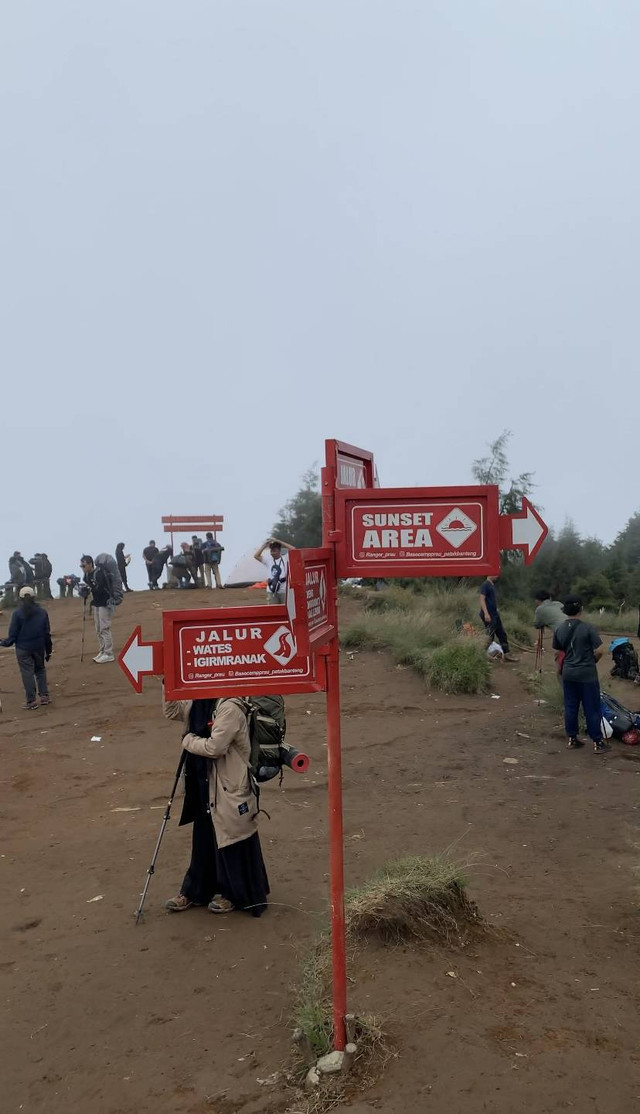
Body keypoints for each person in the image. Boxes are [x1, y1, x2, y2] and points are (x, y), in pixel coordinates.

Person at [163, 693, 269, 916]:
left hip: (228, 786)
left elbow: (215, 748)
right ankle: (195, 891)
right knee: (203, 836)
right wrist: (169, 683)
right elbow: (172, 711)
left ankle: (236, 895)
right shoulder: (198, 702)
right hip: (203, 781)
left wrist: (187, 740)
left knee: (232, 838)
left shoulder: (229, 707)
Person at [553, 596, 609, 754]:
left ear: (565, 611)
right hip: (586, 674)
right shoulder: (588, 628)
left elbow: (558, 653)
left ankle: (572, 739)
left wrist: (560, 669)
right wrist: (592, 662)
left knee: (571, 706)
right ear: (581, 610)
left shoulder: (559, 629)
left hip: (568, 673)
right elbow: (600, 650)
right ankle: (597, 742)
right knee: (591, 707)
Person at [0, 586, 52, 710]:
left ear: (20, 598)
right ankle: (44, 696)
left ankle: (31, 701)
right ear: (34, 597)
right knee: (40, 670)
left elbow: (12, 635)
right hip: (39, 646)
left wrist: (3, 643)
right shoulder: (42, 612)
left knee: (27, 673)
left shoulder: (17, 614)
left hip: (23, 649)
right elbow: (46, 633)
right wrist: (48, 650)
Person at [79, 553, 123, 663]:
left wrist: (89, 590)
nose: (82, 568)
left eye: (84, 566)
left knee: (104, 628)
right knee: (98, 629)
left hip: (106, 603)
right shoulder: (87, 575)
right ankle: (102, 651)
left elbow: (100, 589)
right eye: (81, 566)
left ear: (90, 564)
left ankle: (109, 653)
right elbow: (93, 588)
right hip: (97, 603)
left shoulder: (98, 574)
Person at [479, 574, 518, 662]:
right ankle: (481, 654)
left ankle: (507, 653)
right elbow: (482, 599)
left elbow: (491, 600)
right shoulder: (485, 584)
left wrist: (496, 609)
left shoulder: (492, 585)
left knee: (501, 633)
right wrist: (486, 614)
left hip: (494, 614)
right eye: (495, 573)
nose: (497, 575)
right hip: (489, 615)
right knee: (490, 635)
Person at [254, 538, 295, 605]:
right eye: (271, 551)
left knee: (285, 611)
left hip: (284, 590)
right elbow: (256, 556)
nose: (272, 553)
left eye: (274, 551)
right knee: (273, 610)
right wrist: (264, 546)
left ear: (279, 551)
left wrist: (278, 541)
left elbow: (294, 549)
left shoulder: (285, 558)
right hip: (271, 590)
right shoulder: (268, 560)